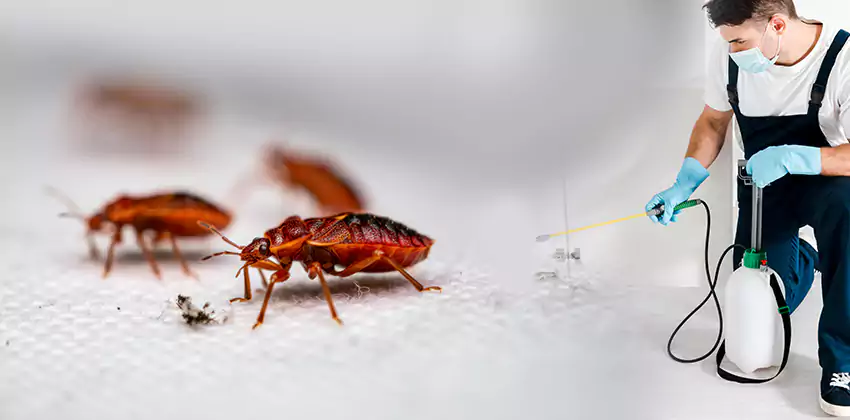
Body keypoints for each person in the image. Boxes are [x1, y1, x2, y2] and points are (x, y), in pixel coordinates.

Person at [644, 0, 850, 416]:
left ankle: (843, 363)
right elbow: (713, 121)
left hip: (828, 181)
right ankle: (807, 261)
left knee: (848, 220)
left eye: (740, 41)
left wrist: (794, 157)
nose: (733, 51)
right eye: (728, 42)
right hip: (762, 188)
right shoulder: (729, 52)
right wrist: (684, 182)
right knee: (767, 302)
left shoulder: (843, 58)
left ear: (777, 24)